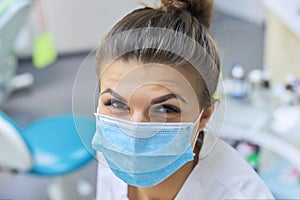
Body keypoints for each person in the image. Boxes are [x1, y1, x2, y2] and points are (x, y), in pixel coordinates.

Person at [91, 0, 275, 199]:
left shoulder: (239, 194)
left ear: (203, 116)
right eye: (116, 103)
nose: (134, 133)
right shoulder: (114, 147)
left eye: (164, 109)